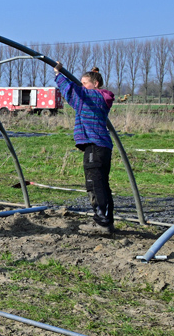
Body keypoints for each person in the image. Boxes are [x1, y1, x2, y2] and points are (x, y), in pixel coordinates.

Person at [54, 63, 116, 234]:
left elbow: (70, 90)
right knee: (103, 184)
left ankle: (101, 222)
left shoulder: (91, 98)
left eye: (85, 83)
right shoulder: (101, 98)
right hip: (103, 147)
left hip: (94, 146)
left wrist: (58, 74)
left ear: (95, 84)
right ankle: (108, 222)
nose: (82, 86)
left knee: (94, 184)